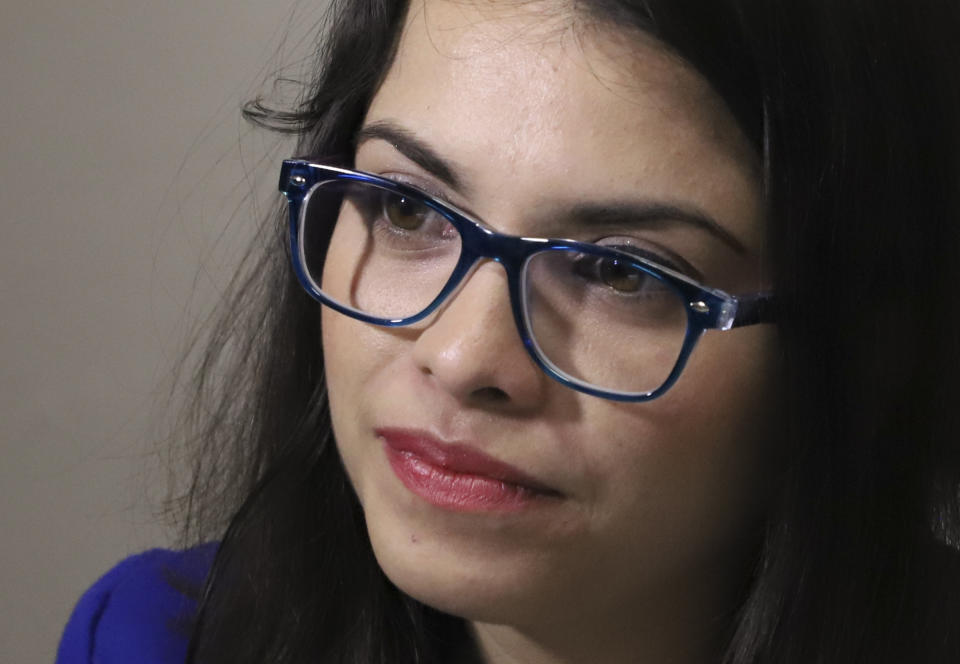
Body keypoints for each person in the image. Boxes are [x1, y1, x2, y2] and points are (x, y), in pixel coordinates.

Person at [57, 0, 960, 662]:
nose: (460, 358)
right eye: (408, 209)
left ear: (866, 352)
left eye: (620, 271)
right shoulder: (156, 641)